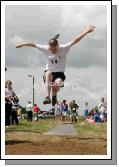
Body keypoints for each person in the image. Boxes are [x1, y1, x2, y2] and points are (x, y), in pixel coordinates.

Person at [16, 25, 96, 106]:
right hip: (49, 72)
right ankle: (47, 97)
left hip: (60, 74)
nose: (53, 51)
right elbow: (33, 44)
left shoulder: (64, 48)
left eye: (55, 49)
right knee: (48, 74)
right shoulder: (45, 48)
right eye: (51, 49)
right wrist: (21, 44)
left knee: (56, 86)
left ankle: (54, 95)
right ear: (49, 47)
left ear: (57, 46)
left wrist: (86, 31)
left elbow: (75, 40)